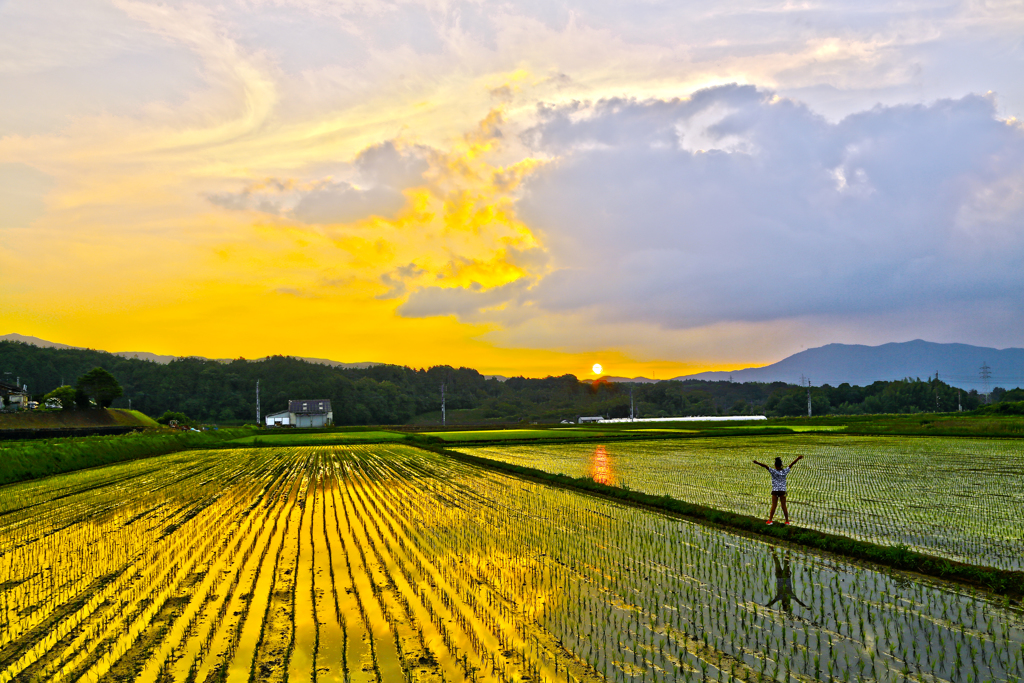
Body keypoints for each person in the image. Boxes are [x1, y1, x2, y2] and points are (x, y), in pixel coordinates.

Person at [753, 454, 803, 524]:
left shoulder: (773, 471)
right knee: (784, 506)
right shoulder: (784, 471)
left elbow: (765, 466)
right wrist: (798, 458)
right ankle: (787, 521)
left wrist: (757, 462)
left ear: (775, 465)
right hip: (782, 491)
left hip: (775, 491)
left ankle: (770, 520)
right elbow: (792, 464)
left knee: (774, 505)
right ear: (781, 465)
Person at [766, 547, 807, 613]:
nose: (786, 602)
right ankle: (785, 550)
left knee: (780, 562)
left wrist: (764, 607)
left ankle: (783, 550)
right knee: (781, 562)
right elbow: (799, 602)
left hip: (782, 576)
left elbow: (771, 602)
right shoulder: (787, 596)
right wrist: (805, 607)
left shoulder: (785, 596)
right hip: (783, 576)